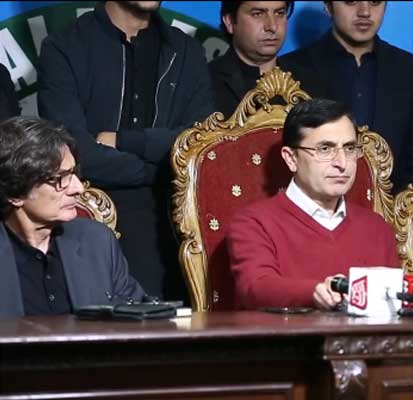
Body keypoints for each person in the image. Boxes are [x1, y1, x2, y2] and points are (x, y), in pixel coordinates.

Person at [37, 1, 215, 301]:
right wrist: (164, 165)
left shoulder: (186, 51)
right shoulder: (64, 47)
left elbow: (200, 143)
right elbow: (76, 155)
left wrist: (125, 141)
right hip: (89, 218)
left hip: (175, 223)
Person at [227, 98, 399, 310]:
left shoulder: (376, 226)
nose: (342, 163)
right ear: (291, 158)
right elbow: (255, 287)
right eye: (325, 149)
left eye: (349, 148)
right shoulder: (254, 222)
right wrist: (315, 292)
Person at [0, 116, 145, 318]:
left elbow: (139, 320)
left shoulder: (96, 242)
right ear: (15, 194)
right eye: (60, 179)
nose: (78, 188)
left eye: (74, 173)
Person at [281, 1, 413, 192]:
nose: (365, 12)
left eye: (375, 2)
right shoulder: (291, 70)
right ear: (328, 5)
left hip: (396, 208)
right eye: (351, 1)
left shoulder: (411, 69)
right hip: (316, 205)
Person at [209, 1, 294, 119]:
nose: (272, 26)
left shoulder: (310, 82)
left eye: (279, 13)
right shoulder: (205, 83)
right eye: (257, 14)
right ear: (229, 22)